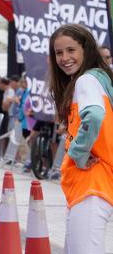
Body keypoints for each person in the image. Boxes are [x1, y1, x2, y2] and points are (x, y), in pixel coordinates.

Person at [48, 24, 113, 253]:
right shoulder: (99, 79)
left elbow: (94, 116)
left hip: (92, 182)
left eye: (71, 50)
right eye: (58, 52)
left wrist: (78, 153)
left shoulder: (86, 80)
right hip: (89, 185)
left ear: (86, 49)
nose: (64, 58)